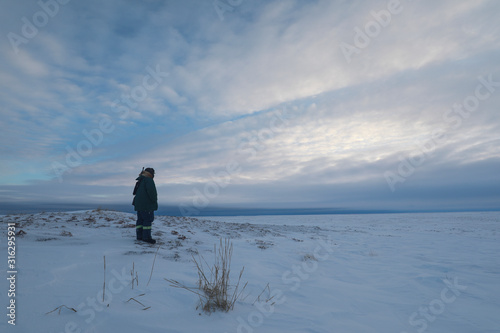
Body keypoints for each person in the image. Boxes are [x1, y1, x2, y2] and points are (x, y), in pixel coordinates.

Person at [132, 167, 158, 244]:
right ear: (151, 174)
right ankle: (146, 237)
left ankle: (139, 236)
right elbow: (152, 192)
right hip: (146, 205)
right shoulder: (148, 180)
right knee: (147, 220)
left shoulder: (141, 179)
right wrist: (154, 200)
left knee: (140, 220)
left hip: (139, 204)